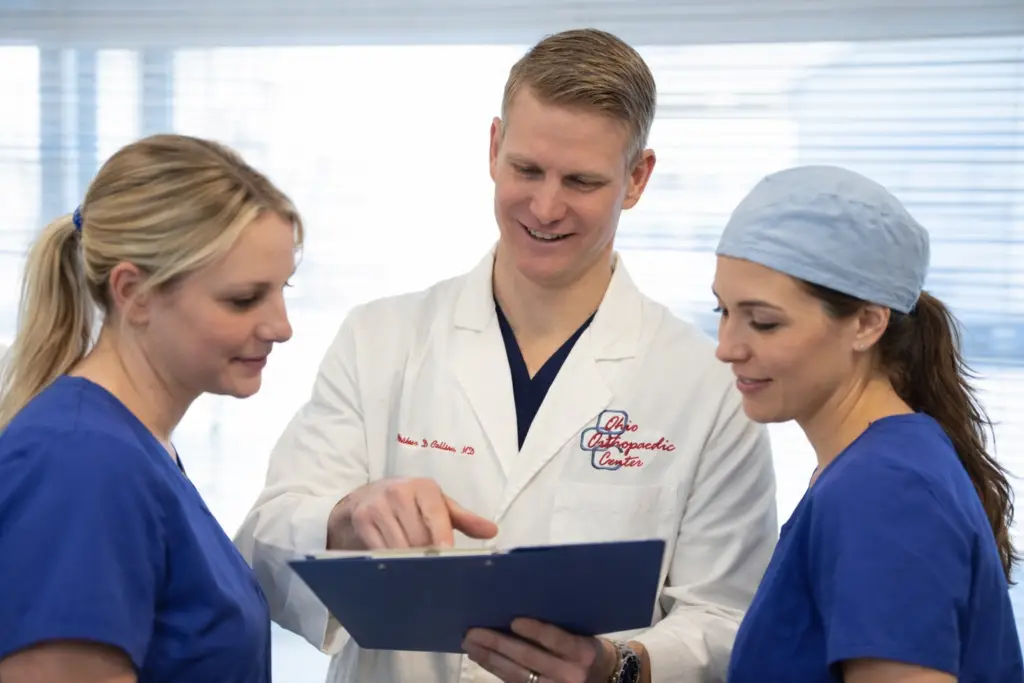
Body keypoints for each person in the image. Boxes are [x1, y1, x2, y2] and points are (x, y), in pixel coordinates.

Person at [235, 28, 778, 683]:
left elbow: (728, 617)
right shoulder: (381, 339)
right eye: (527, 170)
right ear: (494, 149)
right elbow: (262, 548)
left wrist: (617, 666)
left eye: (581, 181)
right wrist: (344, 520)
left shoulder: (709, 386)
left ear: (637, 178)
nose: (545, 207)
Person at [0, 133, 302, 683]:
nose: (281, 327)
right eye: (243, 299)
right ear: (134, 293)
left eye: (284, 289)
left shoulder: (131, 448)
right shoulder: (81, 461)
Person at [712, 165, 1024, 683]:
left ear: (866, 323)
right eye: (722, 311)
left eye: (764, 322)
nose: (727, 348)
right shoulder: (881, 466)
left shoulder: (883, 490)